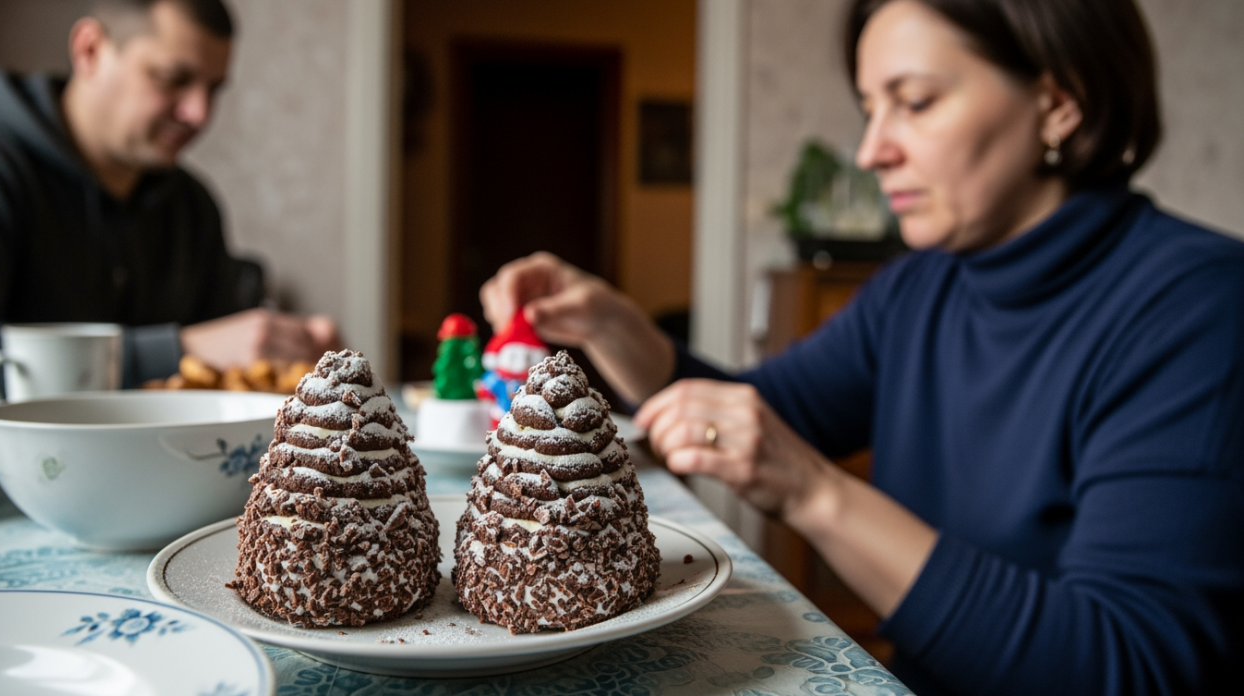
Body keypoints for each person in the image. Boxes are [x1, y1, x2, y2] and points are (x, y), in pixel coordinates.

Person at [479, 0, 1244, 693]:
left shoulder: (1198, 305)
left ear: (1059, 102)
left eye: (915, 101)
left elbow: (1129, 661)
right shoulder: (919, 288)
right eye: (870, 108)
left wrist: (815, 493)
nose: (872, 150)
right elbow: (759, 416)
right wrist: (615, 327)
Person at [0, 0, 340, 407]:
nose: (199, 113)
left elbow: (228, 381)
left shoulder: (192, 204)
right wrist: (183, 350)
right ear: (90, 50)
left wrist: (286, 353)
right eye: (173, 79)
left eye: (213, 89)